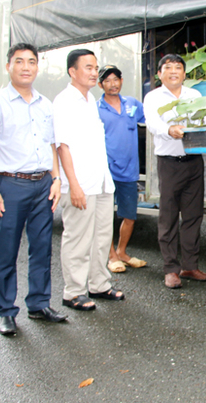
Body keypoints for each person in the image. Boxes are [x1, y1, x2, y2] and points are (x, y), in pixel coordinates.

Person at [0, 43, 68, 335]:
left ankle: (39, 304)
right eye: (19, 61)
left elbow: (51, 145)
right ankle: (6, 312)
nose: (26, 67)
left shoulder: (45, 104)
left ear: (37, 67)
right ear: (8, 67)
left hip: (42, 184)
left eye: (31, 62)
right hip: (9, 185)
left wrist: (56, 179)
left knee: (42, 248)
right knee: (7, 251)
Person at [53, 49, 125, 311]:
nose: (94, 72)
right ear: (73, 72)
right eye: (88, 67)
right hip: (81, 182)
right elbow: (63, 147)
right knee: (78, 237)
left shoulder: (90, 99)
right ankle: (73, 292)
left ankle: (99, 284)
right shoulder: (64, 101)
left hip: (102, 181)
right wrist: (73, 185)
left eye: (95, 67)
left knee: (102, 236)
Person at [143, 54, 206, 289]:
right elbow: (152, 123)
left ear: (184, 73)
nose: (174, 71)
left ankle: (190, 266)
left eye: (178, 67)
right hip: (169, 163)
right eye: (168, 67)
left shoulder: (195, 96)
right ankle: (171, 270)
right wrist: (168, 129)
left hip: (194, 160)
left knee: (193, 216)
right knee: (168, 217)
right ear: (160, 74)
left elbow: (203, 119)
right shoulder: (153, 97)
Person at [97, 65, 147, 273]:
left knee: (130, 215)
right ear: (100, 85)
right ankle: (111, 257)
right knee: (105, 215)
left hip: (129, 169)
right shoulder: (96, 109)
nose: (112, 84)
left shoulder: (132, 105)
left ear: (121, 80)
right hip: (105, 170)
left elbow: (150, 121)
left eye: (115, 79)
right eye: (107, 80)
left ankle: (122, 252)